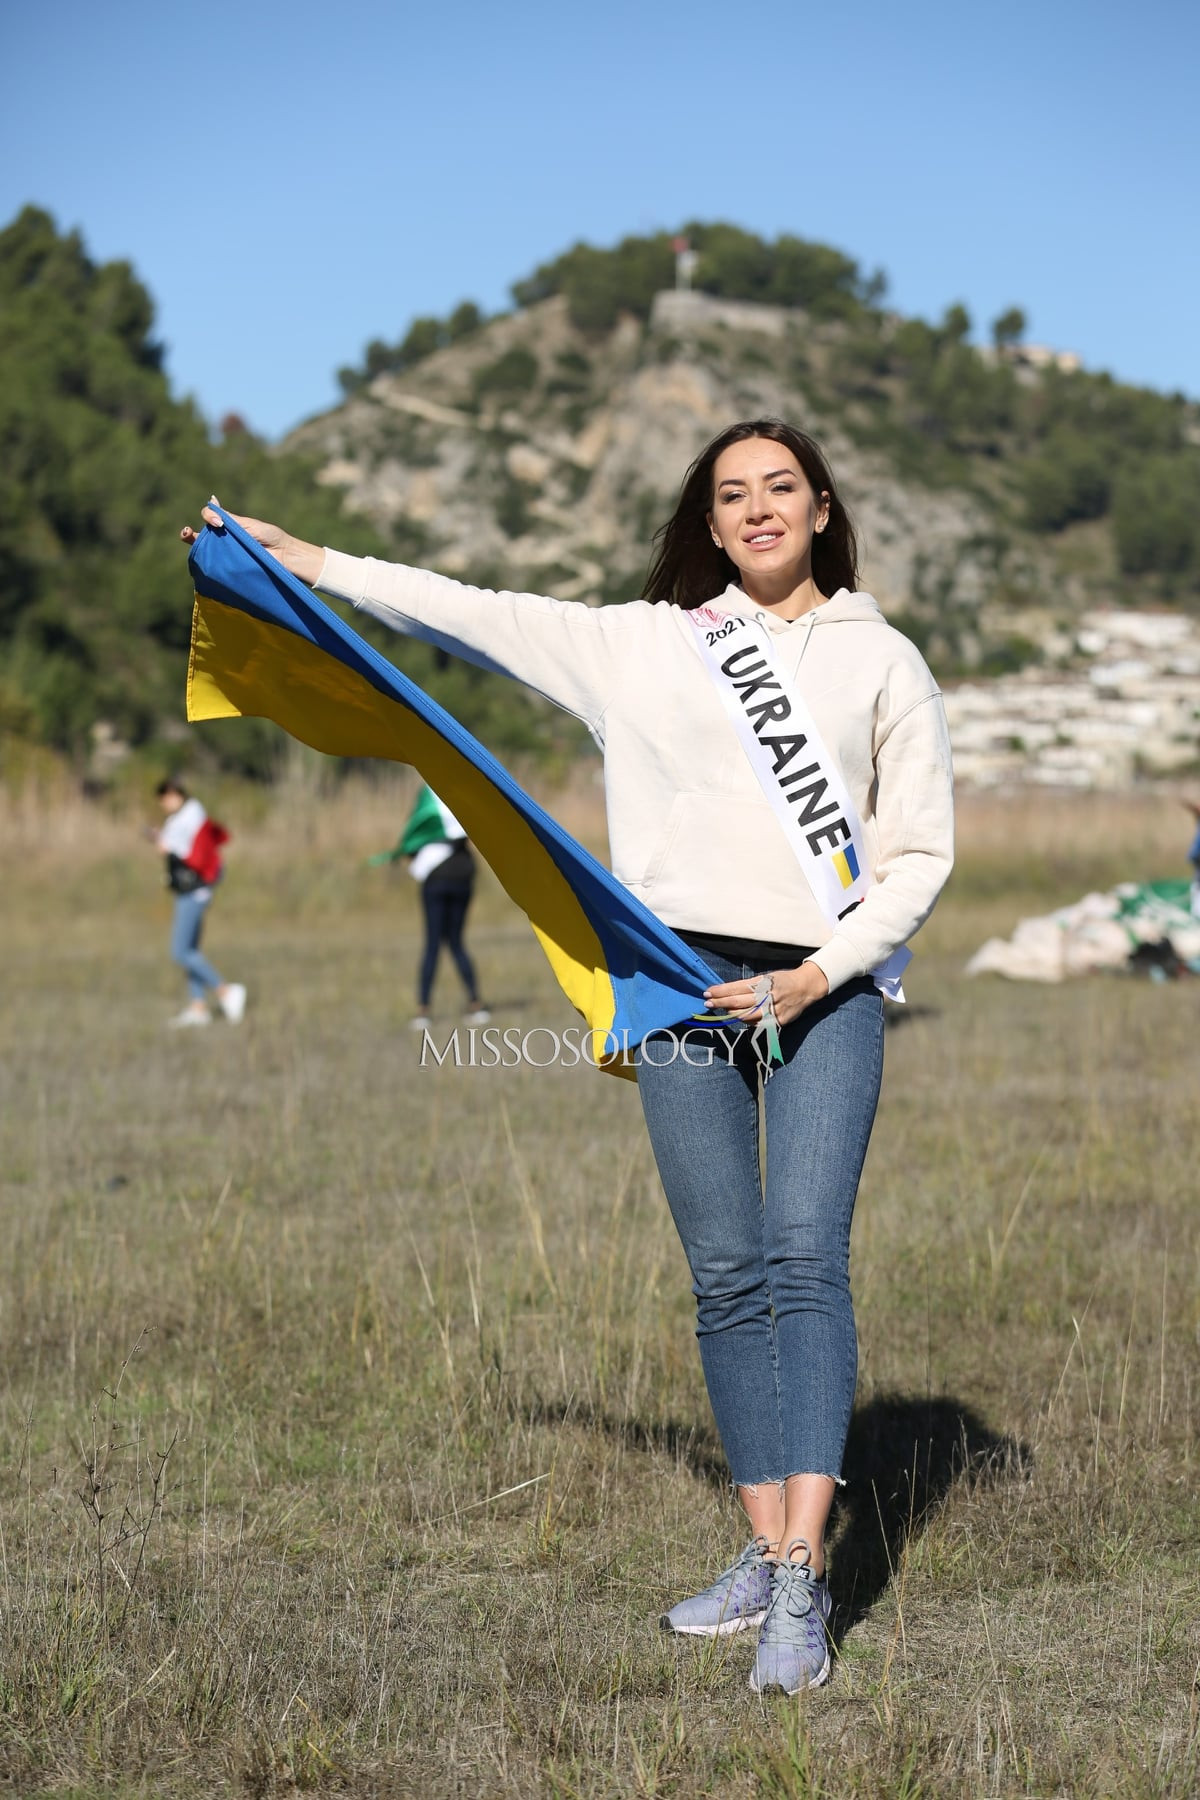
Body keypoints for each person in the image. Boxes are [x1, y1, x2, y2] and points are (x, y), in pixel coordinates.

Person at [181, 419, 953, 1694]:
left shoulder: (886, 662)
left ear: (820, 507)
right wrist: (309, 561)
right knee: (725, 1273)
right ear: (708, 526)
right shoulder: (646, 642)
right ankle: (763, 1554)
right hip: (676, 975)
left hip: (824, 985)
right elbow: (472, 611)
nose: (758, 510)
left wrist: (821, 971)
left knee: (806, 1258)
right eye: (731, 495)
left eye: (780, 489)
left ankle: (807, 1580)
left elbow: (920, 855)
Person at [391, 783, 490, 1029]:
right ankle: (475, 1004)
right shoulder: (459, 790)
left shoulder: (427, 798)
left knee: (433, 944)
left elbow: (414, 834)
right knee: (456, 942)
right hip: (463, 875)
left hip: (435, 880)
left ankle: (423, 1010)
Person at [153, 775, 246, 1028]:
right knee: (191, 950)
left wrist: (165, 844)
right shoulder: (186, 816)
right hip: (190, 890)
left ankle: (225, 991)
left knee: (180, 951)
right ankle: (198, 1007)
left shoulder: (191, 815)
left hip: (194, 891)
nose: (163, 804)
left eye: (165, 798)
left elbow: (185, 850)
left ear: (175, 795)